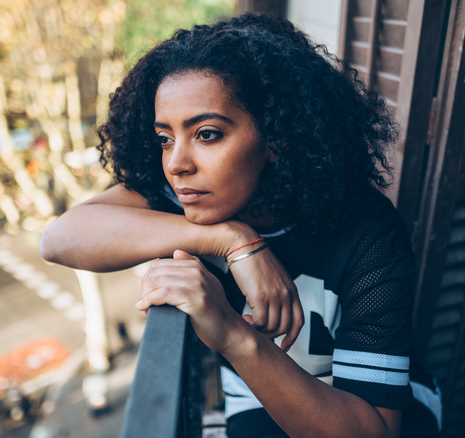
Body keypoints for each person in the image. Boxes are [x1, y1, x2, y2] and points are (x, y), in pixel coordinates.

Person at [40, 13, 441, 438]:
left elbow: (372, 430)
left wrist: (234, 336)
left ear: (277, 137)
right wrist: (230, 238)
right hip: (253, 389)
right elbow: (59, 238)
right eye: (165, 138)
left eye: (207, 134)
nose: (177, 164)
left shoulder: (367, 230)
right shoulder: (187, 200)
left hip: (370, 402)